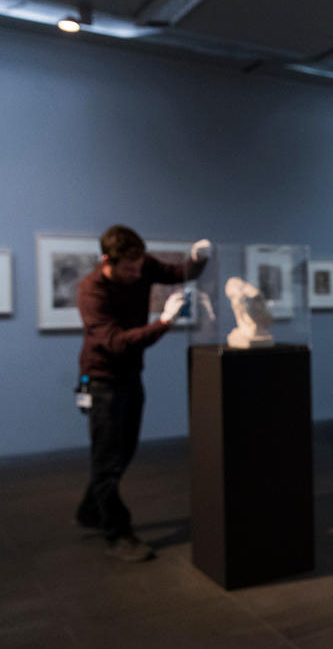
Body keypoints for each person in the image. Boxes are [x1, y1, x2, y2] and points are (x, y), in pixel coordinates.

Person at [74, 225, 212, 562]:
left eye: (140, 267)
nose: (138, 274)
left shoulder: (142, 264)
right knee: (107, 460)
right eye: (130, 269)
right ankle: (118, 533)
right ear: (107, 260)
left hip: (131, 377)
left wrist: (197, 260)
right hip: (101, 381)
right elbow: (116, 342)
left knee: (125, 451)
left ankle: (91, 510)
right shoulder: (91, 291)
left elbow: (178, 273)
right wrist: (164, 322)